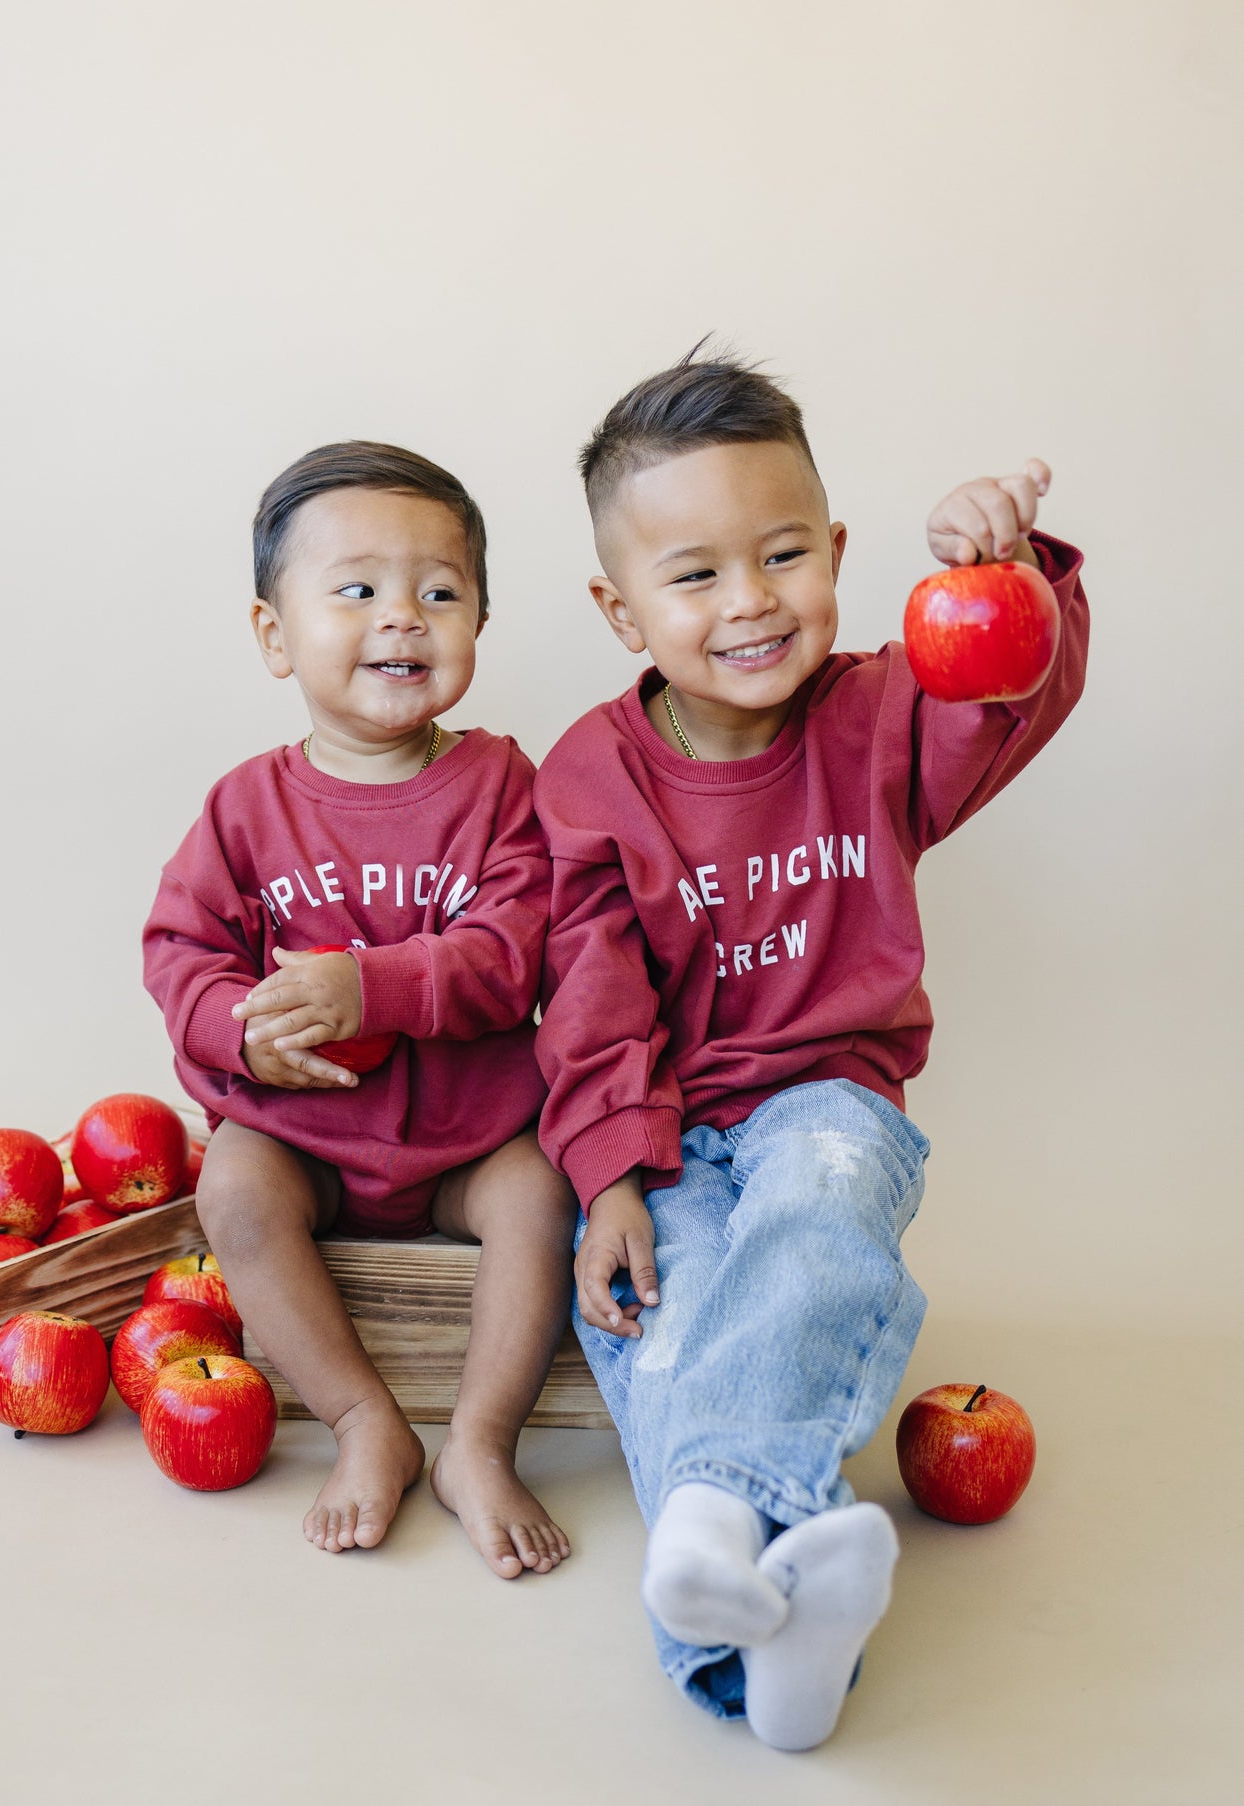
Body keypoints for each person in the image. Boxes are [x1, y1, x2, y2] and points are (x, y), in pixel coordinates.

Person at [533, 351, 1088, 1745]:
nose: (750, 600)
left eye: (783, 554)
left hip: (824, 1096)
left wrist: (1009, 567)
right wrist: (606, 1177)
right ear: (619, 608)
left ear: (835, 551)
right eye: (697, 574)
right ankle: (782, 1666)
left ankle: (713, 1524)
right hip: (660, 1133)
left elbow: (1007, 686)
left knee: (824, 1202)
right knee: (667, 1327)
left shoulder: (879, 716)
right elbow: (588, 994)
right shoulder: (589, 777)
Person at [143, 441, 576, 1579]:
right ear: (274, 635)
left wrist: (366, 983)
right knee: (231, 1187)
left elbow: (510, 953)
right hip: (311, 1142)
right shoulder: (244, 808)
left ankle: (478, 1441)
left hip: (461, 1144)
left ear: (478, 623)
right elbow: (180, 954)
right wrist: (241, 1031)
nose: (403, 617)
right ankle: (359, 1418)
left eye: (439, 592)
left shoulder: (500, 787)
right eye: (357, 590)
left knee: (539, 1191)